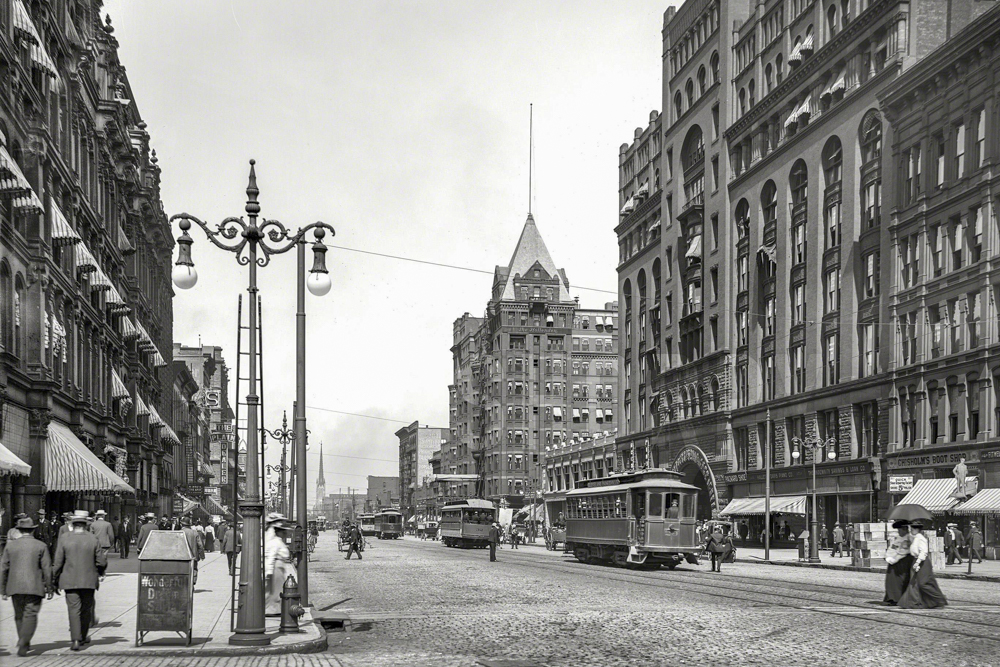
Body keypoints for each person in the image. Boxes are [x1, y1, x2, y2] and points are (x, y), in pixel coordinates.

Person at [53, 510, 107, 651]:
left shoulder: (64, 538)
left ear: (72, 524)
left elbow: (58, 562)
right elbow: (101, 561)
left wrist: (54, 578)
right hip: (89, 580)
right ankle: (83, 636)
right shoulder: (93, 539)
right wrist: (99, 572)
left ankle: (75, 640)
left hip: (69, 580)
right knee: (86, 609)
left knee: (73, 609)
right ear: (86, 525)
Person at [1, 516, 53, 656]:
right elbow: (47, 568)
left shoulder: (10, 546)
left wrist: (3, 589)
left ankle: (23, 639)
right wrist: (49, 587)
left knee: (19, 615)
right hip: (34, 586)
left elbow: (3, 568)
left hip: (15, 586)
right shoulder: (41, 546)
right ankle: (24, 642)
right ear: (32, 531)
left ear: (19, 530)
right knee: (30, 614)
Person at [898, 520, 948, 609]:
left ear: (917, 529)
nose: (910, 530)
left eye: (912, 528)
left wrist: (918, 562)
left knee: (923, 583)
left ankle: (938, 599)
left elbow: (923, 552)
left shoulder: (920, 538)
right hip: (916, 561)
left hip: (922, 562)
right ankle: (914, 602)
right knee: (914, 583)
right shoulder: (914, 538)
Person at [264, 514, 294, 615]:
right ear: (278, 532)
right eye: (283, 531)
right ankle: (270, 610)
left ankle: (273, 609)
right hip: (276, 567)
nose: (285, 533)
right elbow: (272, 556)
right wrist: (269, 571)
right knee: (274, 590)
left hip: (280, 567)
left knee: (276, 589)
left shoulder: (278, 541)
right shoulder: (276, 542)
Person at [883, 521, 913, 605]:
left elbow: (903, 551)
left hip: (903, 561)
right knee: (891, 581)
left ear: (905, 529)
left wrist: (894, 559)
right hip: (894, 562)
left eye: (900, 530)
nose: (899, 532)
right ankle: (891, 597)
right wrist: (888, 557)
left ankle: (898, 598)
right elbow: (892, 548)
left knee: (900, 581)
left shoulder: (908, 538)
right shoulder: (898, 538)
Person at [180, 516, 205, 585]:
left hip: (182, 557)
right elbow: (200, 545)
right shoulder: (194, 533)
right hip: (193, 556)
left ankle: (185, 584)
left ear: (182, 524)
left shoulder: (179, 533)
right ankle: (192, 582)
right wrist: (202, 555)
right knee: (194, 569)